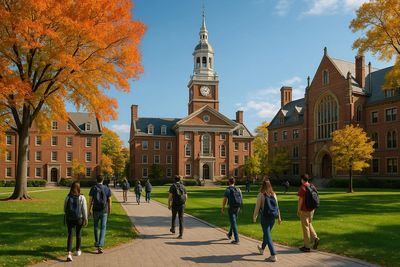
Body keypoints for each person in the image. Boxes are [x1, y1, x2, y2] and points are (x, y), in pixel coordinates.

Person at [253, 179, 282, 262]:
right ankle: (262, 249)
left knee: (268, 235)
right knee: (267, 234)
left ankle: (273, 254)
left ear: (262, 185)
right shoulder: (274, 194)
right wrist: (279, 218)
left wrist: (254, 216)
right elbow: (277, 207)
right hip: (273, 217)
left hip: (265, 217)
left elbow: (257, 207)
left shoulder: (261, 194)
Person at [64, 181, 88, 262]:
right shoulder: (82, 197)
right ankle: (78, 250)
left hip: (69, 218)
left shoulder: (68, 196)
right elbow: (84, 209)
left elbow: (64, 208)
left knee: (70, 234)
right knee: (78, 234)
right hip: (79, 218)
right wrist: (85, 219)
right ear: (79, 188)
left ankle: (69, 254)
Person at [89, 175, 112, 254]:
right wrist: (109, 209)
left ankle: (96, 242)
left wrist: (89, 210)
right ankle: (100, 245)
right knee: (103, 228)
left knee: (95, 226)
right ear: (103, 180)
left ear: (96, 180)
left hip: (95, 210)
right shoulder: (106, 188)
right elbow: (109, 200)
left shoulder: (93, 188)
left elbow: (90, 200)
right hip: (104, 210)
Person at [297, 174, 319, 252]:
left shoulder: (302, 187)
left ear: (302, 179)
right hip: (312, 209)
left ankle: (307, 246)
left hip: (304, 210)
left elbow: (300, 200)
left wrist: (298, 210)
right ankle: (315, 238)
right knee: (309, 224)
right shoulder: (312, 186)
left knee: (305, 227)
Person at [221, 177, 242, 244]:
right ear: (234, 182)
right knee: (233, 221)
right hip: (237, 207)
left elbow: (225, 199)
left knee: (233, 223)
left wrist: (223, 207)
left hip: (231, 207)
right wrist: (241, 207)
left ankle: (237, 239)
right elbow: (241, 198)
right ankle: (230, 234)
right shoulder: (238, 189)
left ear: (229, 182)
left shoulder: (228, 190)